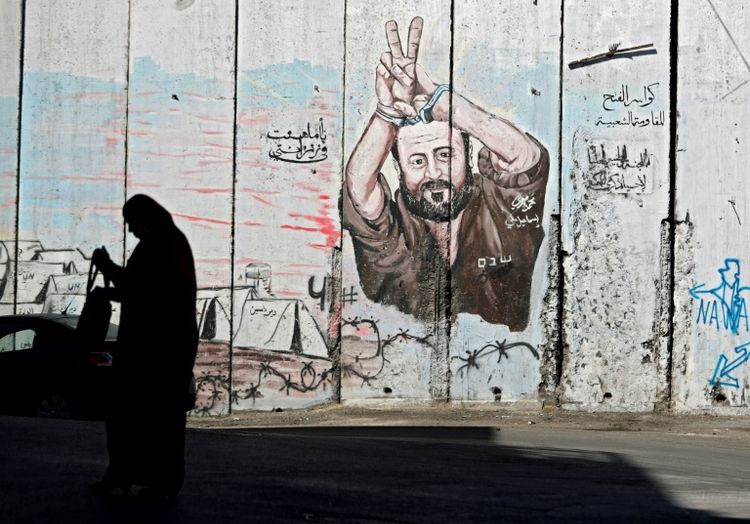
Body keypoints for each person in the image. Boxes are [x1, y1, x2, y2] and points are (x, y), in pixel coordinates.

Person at [343, 17, 549, 330]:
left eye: (445, 154)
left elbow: (526, 158)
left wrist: (446, 104)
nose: (434, 172)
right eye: (417, 161)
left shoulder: (498, 209)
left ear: (466, 156)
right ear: (398, 167)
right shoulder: (393, 226)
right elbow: (358, 189)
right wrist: (388, 115)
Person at [90, 194, 198, 499]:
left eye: (132, 223)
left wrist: (107, 267)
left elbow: (141, 288)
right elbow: (143, 290)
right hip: (157, 347)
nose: (131, 231)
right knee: (147, 416)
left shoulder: (163, 246)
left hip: (160, 350)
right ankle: (138, 476)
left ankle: (151, 480)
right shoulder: (168, 244)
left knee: (151, 417)